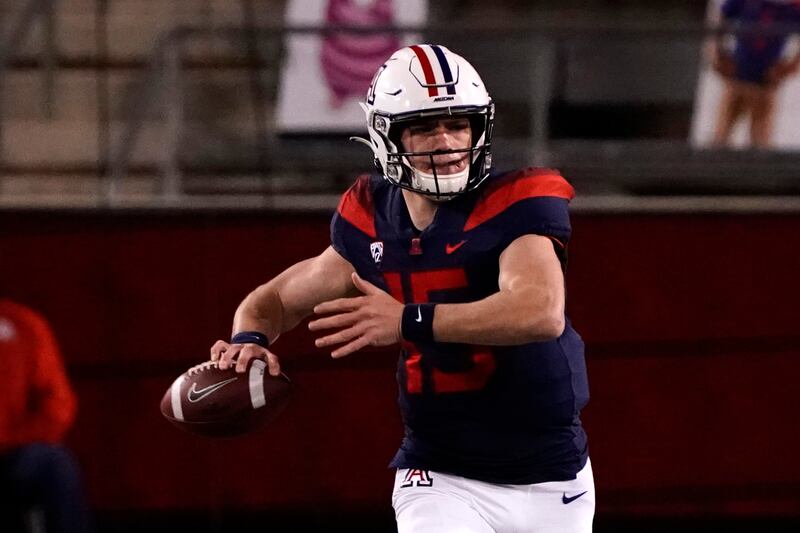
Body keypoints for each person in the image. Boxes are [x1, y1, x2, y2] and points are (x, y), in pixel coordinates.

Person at [211, 44, 593, 532]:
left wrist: (408, 319)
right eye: (424, 127)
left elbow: (540, 312)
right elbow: (278, 299)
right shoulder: (372, 218)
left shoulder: (514, 204)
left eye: (458, 124)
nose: (447, 140)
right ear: (386, 137)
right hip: (439, 471)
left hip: (551, 476)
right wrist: (250, 341)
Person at [0, 298, 90, 533]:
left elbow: (57, 405)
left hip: (10, 453)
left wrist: (10, 439)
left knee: (54, 463)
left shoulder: (22, 323)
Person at [711, 0, 800, 148]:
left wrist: (790, 66)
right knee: (719, 138)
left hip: (765, 85)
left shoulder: (791, 7)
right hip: (737, 79)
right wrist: (717, 53)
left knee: (761, 143)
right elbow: (722, 17)